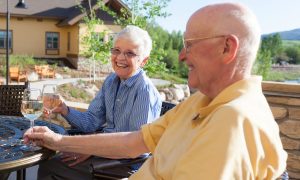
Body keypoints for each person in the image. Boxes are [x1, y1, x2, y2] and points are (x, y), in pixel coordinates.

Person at [25, 2, 287, 179]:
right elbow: (133, 142)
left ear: (227, 48)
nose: (182, 56)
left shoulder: (233, 120)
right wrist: (57, 140)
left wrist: (73, 146)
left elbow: (135, 151)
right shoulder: (201, 102)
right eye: (116, 51)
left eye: (190, 44)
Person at [37, 25, 162, 180]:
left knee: (50, 166)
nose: (120, 58)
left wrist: (92, 149)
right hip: (103, 153)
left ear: (143, 61)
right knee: (50, 161)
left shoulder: (144, 91)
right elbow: (91, 122)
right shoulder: (111, 81)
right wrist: (64, 109)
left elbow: (137, 148)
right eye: (116, 50)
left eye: (130, 53)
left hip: (124, 166)